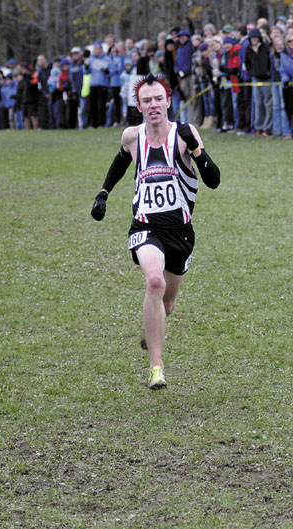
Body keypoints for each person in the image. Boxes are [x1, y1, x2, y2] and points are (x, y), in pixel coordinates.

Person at [90, 73, 221, 389]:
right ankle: (156, 368)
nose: (153, 105)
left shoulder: (185, 135)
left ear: (168, 102)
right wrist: (103, 194)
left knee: (168, 303)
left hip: (181, 233)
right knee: (154, 281)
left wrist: (198, 151)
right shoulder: (132, 137)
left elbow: (214, 180)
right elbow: (120, 162)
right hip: (145, 228)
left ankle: (154, 331)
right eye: (146, 100)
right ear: (138, 105)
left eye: (158, 99)